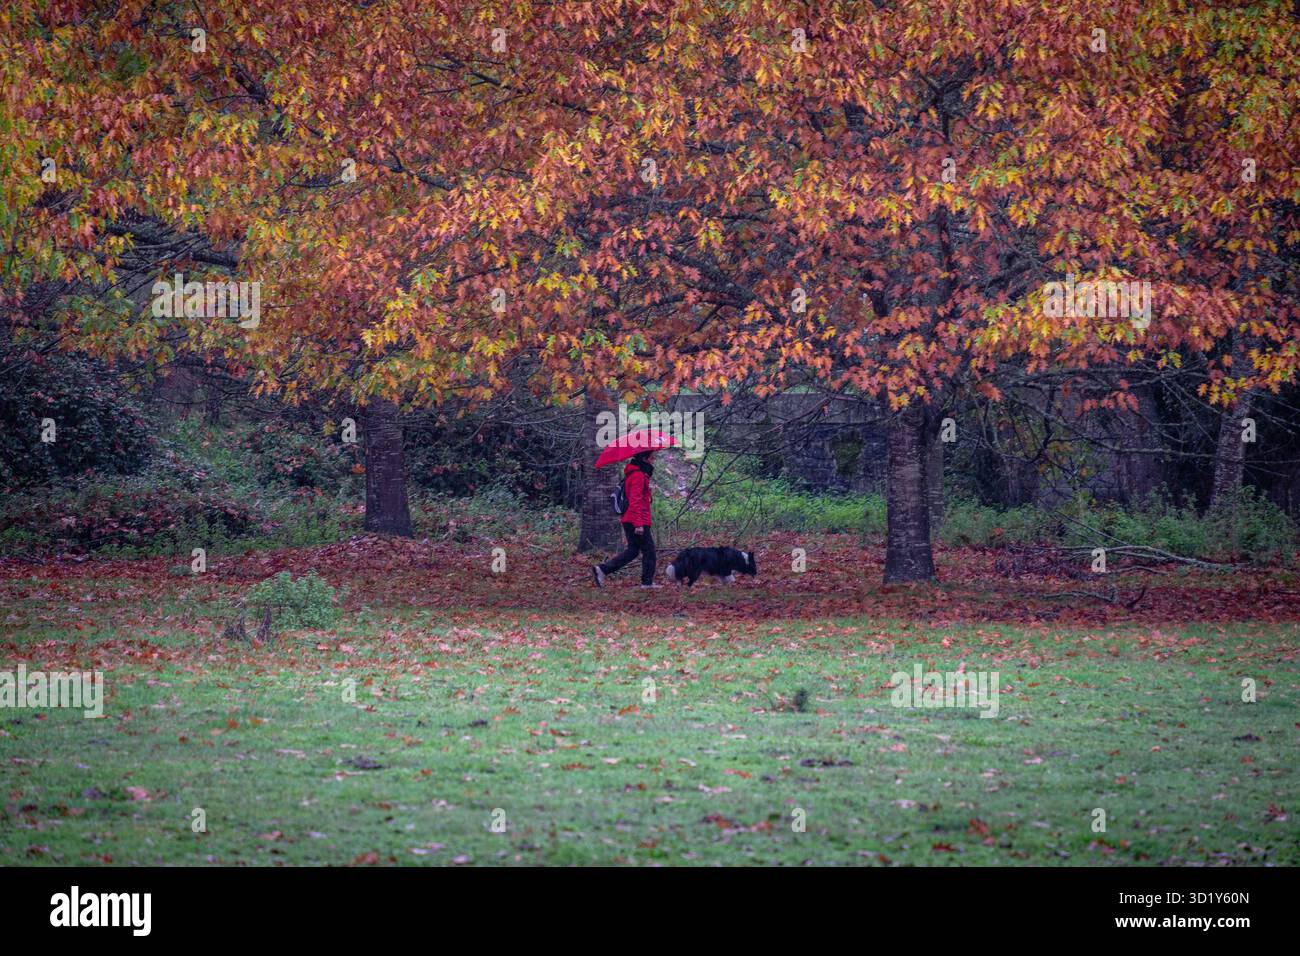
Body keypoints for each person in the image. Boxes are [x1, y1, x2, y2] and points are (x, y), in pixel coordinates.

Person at [592, 450, 660, 588]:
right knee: (649, 551)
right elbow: (635, 501)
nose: (654, 460)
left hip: (630, 519)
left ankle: (603, 569)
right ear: (644, 459)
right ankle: (647, 583)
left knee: (633, 551)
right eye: (652, 458)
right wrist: (639, 525)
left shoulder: (636, 474)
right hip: (637, 520)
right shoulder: (638, 476)